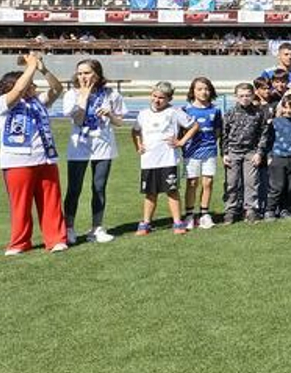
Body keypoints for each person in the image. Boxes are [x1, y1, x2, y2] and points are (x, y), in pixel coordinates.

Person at [0, 51, 67, 255]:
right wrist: (30, 66)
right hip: (17, 162)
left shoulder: (38, 101)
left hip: (45, 159)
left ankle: (56, 239)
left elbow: (57, 88)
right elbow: (18, 90)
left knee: (51, 202)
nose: (34, 86)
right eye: (31, 83)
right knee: (21, 205)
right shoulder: (2, 104)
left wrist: (42, 69)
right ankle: (19, 242)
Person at [62, 58, 124, 245]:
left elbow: (120, 121)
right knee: (74, 188)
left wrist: (110, 114)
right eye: (80, 73)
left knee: (98, 188)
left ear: (97, 74)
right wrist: (85, 95)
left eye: (87, 73)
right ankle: (69, 228)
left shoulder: (111, 94)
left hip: (103, 146)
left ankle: (96, 228)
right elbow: (78, 120)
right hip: (79, 147)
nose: (83, 76)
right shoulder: (71, 94)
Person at [132, 80, 195, 236]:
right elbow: (135, 131)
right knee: (150, 193)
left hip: (168, 160)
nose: (157, 100)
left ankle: (177, 222)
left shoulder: (174, 112)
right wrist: (138, 145)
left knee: (172, 191)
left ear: (169, 99)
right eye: (154, 96)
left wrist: (181, 142)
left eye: (161, 98)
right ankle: (146, 223)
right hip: (148, 161)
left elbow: (194, 126)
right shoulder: (143, 114)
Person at [220, 82, 268, 224]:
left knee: (251, 182)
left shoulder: (259, 113)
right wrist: (224, 153)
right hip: (233, 152)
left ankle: (250, 210)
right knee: (232, 183)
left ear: (253, 95)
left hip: (251, 152)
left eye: (248, 95)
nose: (245, 98)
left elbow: (263, 134)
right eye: (241, 96)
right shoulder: (230, 113)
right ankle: (231, 210)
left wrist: (259, 153)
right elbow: (224, 134)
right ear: (236, 96)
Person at [181, 77, 223, 229]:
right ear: (193, 91)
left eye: (206, 89)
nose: (203, 92)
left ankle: (204, 213)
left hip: (209, 151)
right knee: (192, 183)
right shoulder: (186, 110)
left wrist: (211, 144)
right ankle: (189, 215)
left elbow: (217, 131)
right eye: (199, 89)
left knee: (208, 182)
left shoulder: (215, 110)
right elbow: (181, 132)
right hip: (191, 152)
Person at [265, 94, 291, 219]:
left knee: (289, 187)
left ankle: (284, 209)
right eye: (286, 107)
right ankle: (270, 210)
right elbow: (268, 141)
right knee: (277, 187)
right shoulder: (274, 123)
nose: (289, 111)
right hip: (278, 157)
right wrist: (269, 156)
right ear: (282, 107)